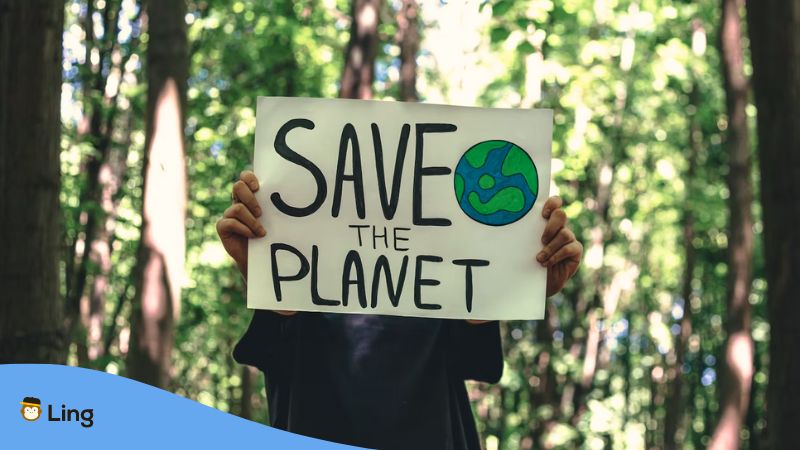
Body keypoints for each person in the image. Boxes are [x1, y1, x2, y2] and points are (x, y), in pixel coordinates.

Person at [217, 170, 582, 449]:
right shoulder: (304, 287)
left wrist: (520, 277)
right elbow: (274, 348)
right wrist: (269, 272)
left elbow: (476, 359)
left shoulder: (442, 283)